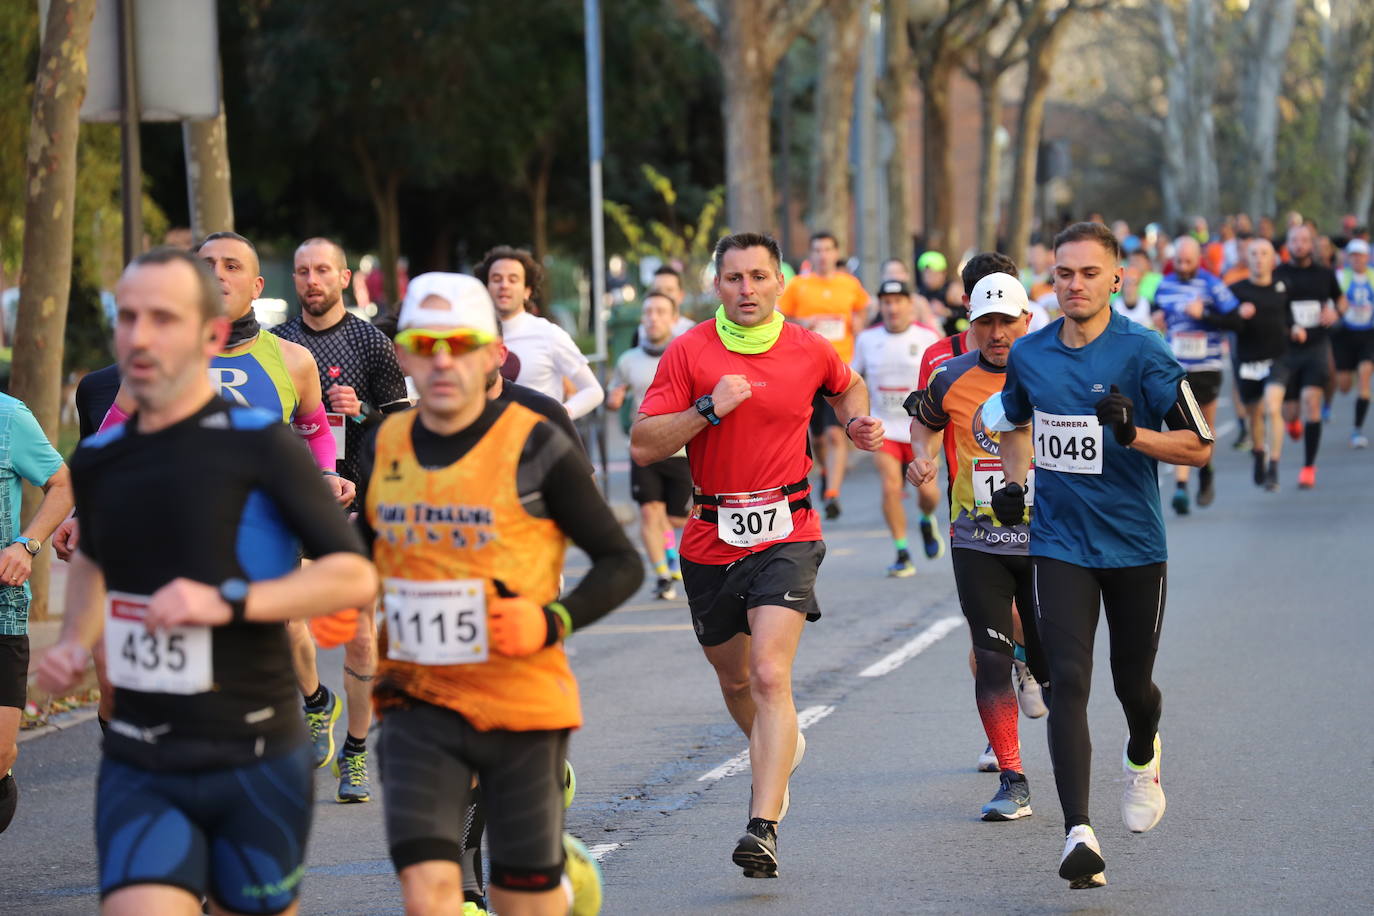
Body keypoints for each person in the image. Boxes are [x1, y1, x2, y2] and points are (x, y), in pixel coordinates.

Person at [35, 247, 377, 915]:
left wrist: (231, 600)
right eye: (129, 318)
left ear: (210, 335)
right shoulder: (102, 456)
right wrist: (76, 639)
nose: (140, 335)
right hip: (142, 759)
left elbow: (350, 575)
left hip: (252, 749)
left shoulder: (262, 445)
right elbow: (97, 558)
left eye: (163, 318)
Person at [357, 272, 640, 916]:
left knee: (522, 900)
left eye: (461, 344)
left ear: (492, 353)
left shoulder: (536, 441)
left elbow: (622, 563)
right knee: (429, 893)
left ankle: (563, 887)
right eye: (425, 345)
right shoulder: (384, 443)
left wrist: (549, 621)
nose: (443, 361)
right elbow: (366, 549)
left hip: (521, 707)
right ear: (401, 355)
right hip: (415, 702)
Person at [632, 232, 883, 879]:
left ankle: (762, 826)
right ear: (717, 285)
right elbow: (643, 444)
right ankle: (779, 748)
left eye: (759, 277)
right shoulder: (689, 352)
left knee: (772, 676)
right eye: (735, 278)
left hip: (788, 528)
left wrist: (856, 422)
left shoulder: (806, 346)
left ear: (779, 283)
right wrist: (706, 410)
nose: (747, 289)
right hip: (711, 534)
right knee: (737, 680)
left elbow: (849, 386)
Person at [982, 222, 1213, 889]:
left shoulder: (1144, 350)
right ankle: (1078, 833)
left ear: (1117, 278)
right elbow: (1016, 425)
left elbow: (1199, 445)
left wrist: (1132, 432)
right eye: (1063, 273)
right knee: (1070, 684)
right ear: (1049, 279)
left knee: (1131, 686)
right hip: (1060, 543)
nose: (1074, 284)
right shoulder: (1029, 355)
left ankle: (1143, 752)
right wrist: (1016, 483)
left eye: (1089, 273)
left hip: (1136, 544)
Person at [272, 237, 412, 803]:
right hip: (291, 501)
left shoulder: (371, 341)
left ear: (345, 277)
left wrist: (366, 412)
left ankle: (355, 750)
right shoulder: (273, 346)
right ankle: (314, 701)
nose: (311, 280)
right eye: (302, 271)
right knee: (286, 621)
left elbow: (403, 427)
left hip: (357, 503)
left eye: (322, 270)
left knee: (356, 635)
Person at [907, 272, 1047, 822]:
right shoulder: (950, 377)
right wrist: (920, 456)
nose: (996, 333)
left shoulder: (1054, 373)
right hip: (978, 540)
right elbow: (923, 422)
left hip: (1047, 541)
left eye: (1006, 321)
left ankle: (1070, 766)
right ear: (971, 326)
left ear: (1026, 322)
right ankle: (1013, 778)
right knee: (990, 660)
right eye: (985, 322)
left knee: (1057, 660)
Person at [0, 394, 73, 835]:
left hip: (1, 609)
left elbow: (63, 483)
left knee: (1, 754)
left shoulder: (9, 416)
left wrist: (26, 545)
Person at [776, 231, 871, 519]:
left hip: (839, 366)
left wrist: (858, 323)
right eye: (817, 250)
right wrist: (800, 321)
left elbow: (864, 309)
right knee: (816, 436)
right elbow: (778, 316)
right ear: (811, 254)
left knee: (834, 434)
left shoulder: (849, 284)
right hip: (806, 369)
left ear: (835, 253)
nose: (823, 255)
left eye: (828, 249)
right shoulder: (799, 285)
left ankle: (832, 493)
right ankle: (826, 468)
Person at [850, 280, 939, 576]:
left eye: (898, 301)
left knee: (928, 494)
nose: (892, 308)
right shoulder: (867, 339)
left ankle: (927, 519)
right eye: (886, 302)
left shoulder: (927, 338)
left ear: (909, 304)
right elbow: (852, 381)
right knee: (890, 487)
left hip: (921, 428)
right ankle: (902, 551)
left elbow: (943, 379)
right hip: (884, 427)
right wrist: (858, 417)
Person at [608, 291, 692, 599]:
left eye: (660, 312)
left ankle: (672, 557)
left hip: (681, 449)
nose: (653, 317)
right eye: (648, 312)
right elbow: (615, 391)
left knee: (675, 519)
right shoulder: (628, 360)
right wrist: (613, 399)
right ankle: (662, 575)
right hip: (642, 447)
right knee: (648, 513)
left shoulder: (687, 354)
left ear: (673, 318)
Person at [1150, 235, 1236, 514]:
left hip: (1208, 365)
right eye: (1179, 261)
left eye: (1188, 261)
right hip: (1178, 367)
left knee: (1205, 430)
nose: (1183, 266)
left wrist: (1204, 316)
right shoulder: (1166, 284)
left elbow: (1234, 319)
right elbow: (1156, 307)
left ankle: (1206, 471)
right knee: (1185, 429)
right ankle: (1181, 489)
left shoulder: (1212, 284)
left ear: (1198, 259)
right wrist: (1158, 317)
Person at [476, 246, 604, 420]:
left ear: (527, 290)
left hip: (538, 443)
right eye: (496, 279)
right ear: (486, 287)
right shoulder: (473, 337)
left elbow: (593, 391)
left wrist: (559, 415)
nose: (504, 285)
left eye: (513, 280)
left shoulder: (549, 334)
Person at [1208, 238, 1294, 490]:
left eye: (1264, 253)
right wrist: (1237, 314)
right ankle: (1259, 453)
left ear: (1273, 259)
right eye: (1254, 254)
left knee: (1272, 406)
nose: (1259, 258)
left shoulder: (1283, 286)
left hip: (1278, 357)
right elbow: (1222, 319)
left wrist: (1298, 328)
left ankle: (1274, 465)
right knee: (1255, 414)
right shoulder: (1236, 290)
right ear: (1248, 258)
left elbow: (1291, 315)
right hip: (1247, 360)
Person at [1276, 223, 1344, 488]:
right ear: (1288, 244)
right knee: (1289, 412)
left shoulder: (1325, 274)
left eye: (1305, 240)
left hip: (1316, 347)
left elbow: (1341, 300)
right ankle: (1293, 424)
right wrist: (1288, 327)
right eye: (1295, 240)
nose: (1300, 245)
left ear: (1312, 244)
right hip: (1286, 350)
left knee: (1311, 402)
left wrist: (1335, 313)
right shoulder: (1278, 274)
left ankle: (1308, 467)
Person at [1335, 238, 1374, 448]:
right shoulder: (1341, 276)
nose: (1358, 259)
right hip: (1345, 335)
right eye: (1354, 255)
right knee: (1343, 386)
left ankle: (1357, 430)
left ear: (1367, 257)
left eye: (1361, 255)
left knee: (1365, 376)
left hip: (1368, 334)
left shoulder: (1373, 276)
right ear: (1349, 257)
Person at [650, 265, 698, 337]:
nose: (663, 295)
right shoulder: (642, 333)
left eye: (669, 290)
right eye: (658, 290)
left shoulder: (693, 331)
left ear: (681, 296)